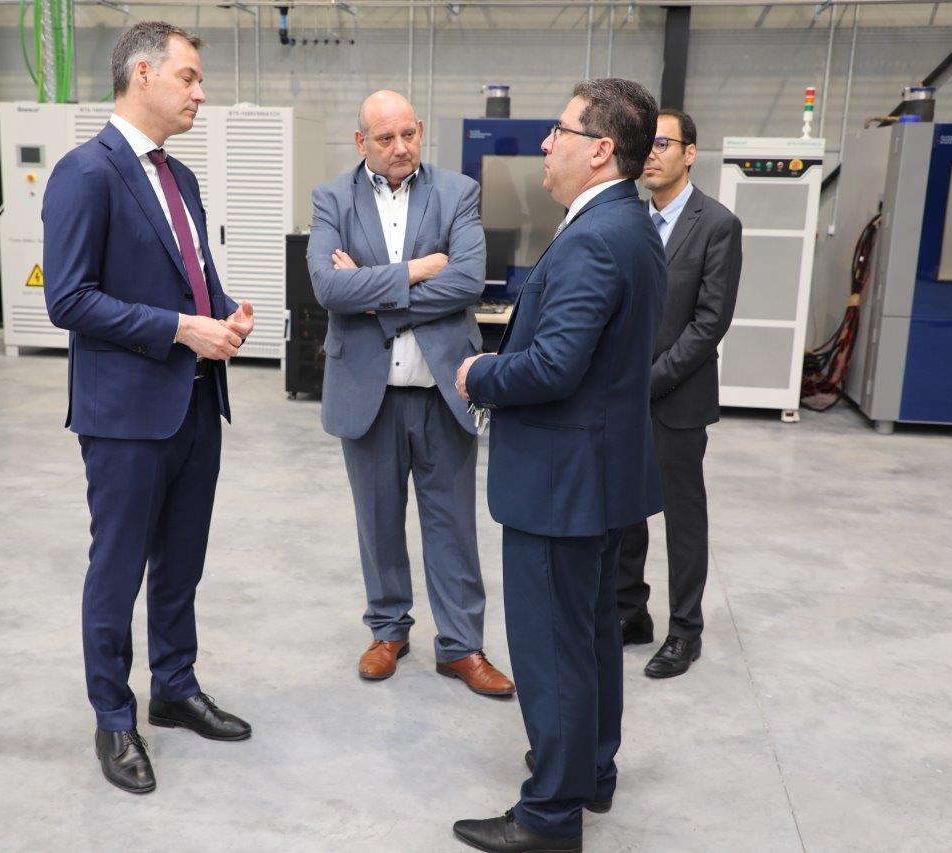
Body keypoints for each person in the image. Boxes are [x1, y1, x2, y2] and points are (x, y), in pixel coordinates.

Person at [452, 78, 666, 852]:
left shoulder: (594, 238)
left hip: (560, 482)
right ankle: (590, 771)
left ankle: (549, 815)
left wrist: (480, 374)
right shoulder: (629, 223)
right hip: (601, 474)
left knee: (551, 649)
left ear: (601, 149)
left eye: (561, 131)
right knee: (590, 634)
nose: (546, 143)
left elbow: (552, 366)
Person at [42, 21, 255, 796]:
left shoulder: (180, 177)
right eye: (189, 77)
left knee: (181, 560)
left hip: (194, 402)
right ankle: (113, 715)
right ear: (142, 74)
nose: (201, 93)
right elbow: (69, 299)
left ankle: (175, 686)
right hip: (127, 414)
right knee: (119, 567)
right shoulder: (85, 173)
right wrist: (178, 329)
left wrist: (225, 313)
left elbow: (194, 275)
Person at [307, 90, 513, 698]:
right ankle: (387, 631)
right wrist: (418, 271)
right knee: (377, 522)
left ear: (419, 129)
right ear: (361, 142)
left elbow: (467, 281)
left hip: (442, 390)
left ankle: (461, 645)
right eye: (385, 138)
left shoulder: (457, 192)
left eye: (408, 134)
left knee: (453, 525)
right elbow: (327, 288)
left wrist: (372, 296)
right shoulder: (332, 199)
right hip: (366, 394)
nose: (400, 148)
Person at [618, 108, 743, 679]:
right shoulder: (629, 221)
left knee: (683, 518)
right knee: (624, 510)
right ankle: (630, 613)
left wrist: (649, 381)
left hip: (677, 400)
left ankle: (685, 631)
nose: (651, 154)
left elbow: (709, 323)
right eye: (645, 143)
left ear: (690, 153)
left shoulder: (716, 225)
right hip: (623, 398)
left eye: (663, 144)